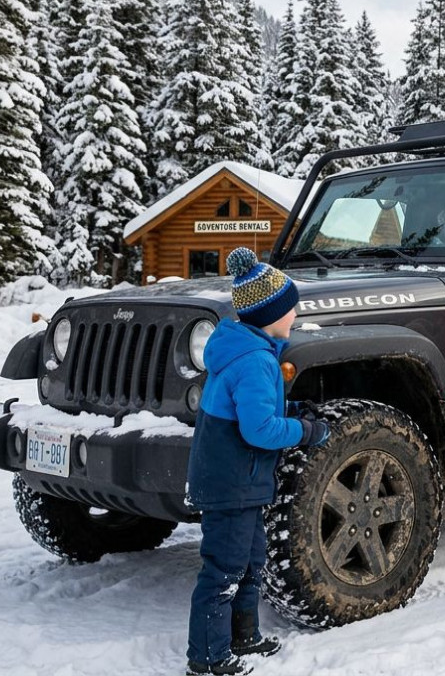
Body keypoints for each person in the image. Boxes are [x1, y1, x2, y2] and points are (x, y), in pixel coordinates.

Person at [185, 248, 331, 676]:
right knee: (224, 570)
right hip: (231, 483)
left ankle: (243, 635)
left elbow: (254, 411)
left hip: (242, 480)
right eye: (291, 308)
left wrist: (292, 407)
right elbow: (259, 431)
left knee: (252, 560)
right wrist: (306, 432)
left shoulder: (250, 349)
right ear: (271, 314)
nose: (295, 315)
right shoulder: (254, 360)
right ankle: (207, 659)